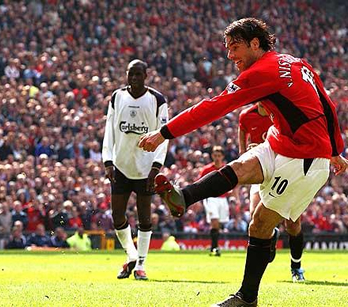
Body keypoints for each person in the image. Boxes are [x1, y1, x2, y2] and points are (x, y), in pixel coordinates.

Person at [138, 18, 347, 306]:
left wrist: (164, 133)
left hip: (307, 158)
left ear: (255, 44)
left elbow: (212, 107)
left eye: (235, 48)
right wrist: (338, 147)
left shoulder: (261, 72)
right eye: (227, 48)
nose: (229, 56)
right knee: (240, 167)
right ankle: (183, 199)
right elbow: (327, 104)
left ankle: (247, 297)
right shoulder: (293, 61)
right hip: (280, 140)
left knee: (259, 225)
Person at [102, 59, 169, 281]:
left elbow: (164, 136)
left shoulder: (157, 100)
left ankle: (141, 264)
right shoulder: (117, 97)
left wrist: (156, 167)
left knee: (144, 217)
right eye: (131, 74)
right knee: (117, 215)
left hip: (145, 167)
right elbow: (109, 130)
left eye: (138, 74)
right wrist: (108, 161)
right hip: (121, 165)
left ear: (146, 76)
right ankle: (131, 255)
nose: (134, 79)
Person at [239, 102, 307, 282]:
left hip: (286, 170)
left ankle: (296, 266)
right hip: (262, 170)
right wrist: (244, 152)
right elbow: (242, 131)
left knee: (293, 224)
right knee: (255, 214)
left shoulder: (284, 112)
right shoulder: (246, 115)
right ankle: (270, 235)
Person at [199, 146, 230, 256]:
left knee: (218, 224)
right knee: (215, 222)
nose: (217, 158)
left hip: (223, 199)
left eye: (219, 156)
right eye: (215, 155)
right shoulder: (206, 170)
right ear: (212, 156)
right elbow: (199, 184)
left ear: (222, 156)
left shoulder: (226, 169)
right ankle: (215, 247)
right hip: (211, 198)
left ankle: (213, 247)